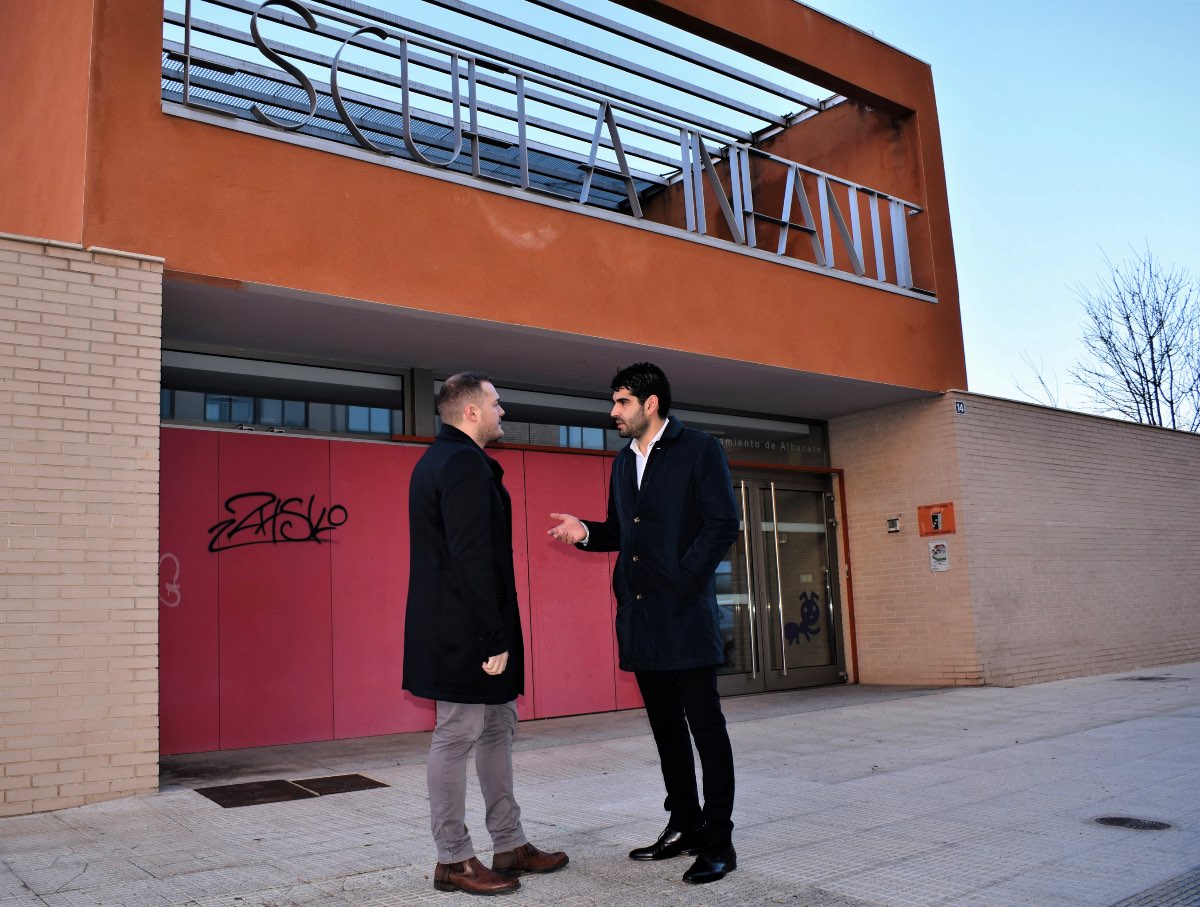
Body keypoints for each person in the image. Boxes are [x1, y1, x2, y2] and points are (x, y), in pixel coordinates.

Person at [548, 362, 739, 885]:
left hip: (684, 614)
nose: (613, 412)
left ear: (651, 403)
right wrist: (585, 531)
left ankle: (719, 841)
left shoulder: (699, 449)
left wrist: (684, 579)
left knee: (706, 730)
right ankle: (685, 824)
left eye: (622, 401)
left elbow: (724, 522)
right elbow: (622, 531)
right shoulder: (622, 460)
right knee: (665, 729)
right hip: (640, 617)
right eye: (614, 402)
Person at [404, 372, 568, 896]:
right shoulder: (459, 465)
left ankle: (509, 843)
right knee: (456, 734)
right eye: (497, 403)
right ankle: (452, 858)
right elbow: (469, 558)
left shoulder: (452, 461)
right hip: (464, 630)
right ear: (471, 411)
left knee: (498, 728)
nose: (504, 411)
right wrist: (490, 638)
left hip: (473, 623)